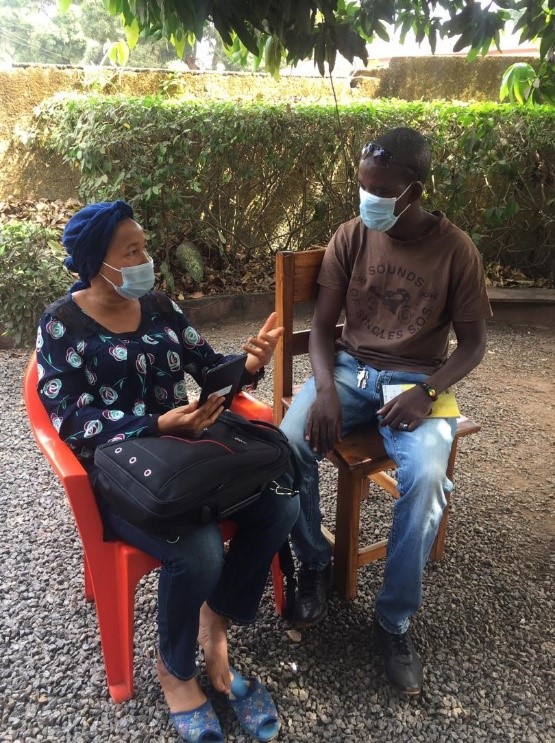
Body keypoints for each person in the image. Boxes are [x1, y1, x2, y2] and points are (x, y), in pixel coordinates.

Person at [36, 200, 299, 743]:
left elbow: (207, 370)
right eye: (130, 251)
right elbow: (68, 417)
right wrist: (154, 424)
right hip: (122, 475)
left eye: (144, 247)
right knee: (199, 551)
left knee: (282, 501)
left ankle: (215, 627)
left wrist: (248, 364)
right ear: (94, 261)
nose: (145, 258)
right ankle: (175, 671)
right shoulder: (62, 324)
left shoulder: (158, 306)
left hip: (186, 459)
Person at [280, 127, 492, 696]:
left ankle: (394, 620)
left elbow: (473, 344)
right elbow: (323, 327)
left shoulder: (456, 250)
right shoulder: (351, 236)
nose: (367, 198)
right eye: (362, 186)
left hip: (420, 382)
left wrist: (428, 392)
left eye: (381, 189)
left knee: (425, 479)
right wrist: (324, 389)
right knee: (288, 442)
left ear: (414, 190)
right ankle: (315, 562)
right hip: (349, 372)